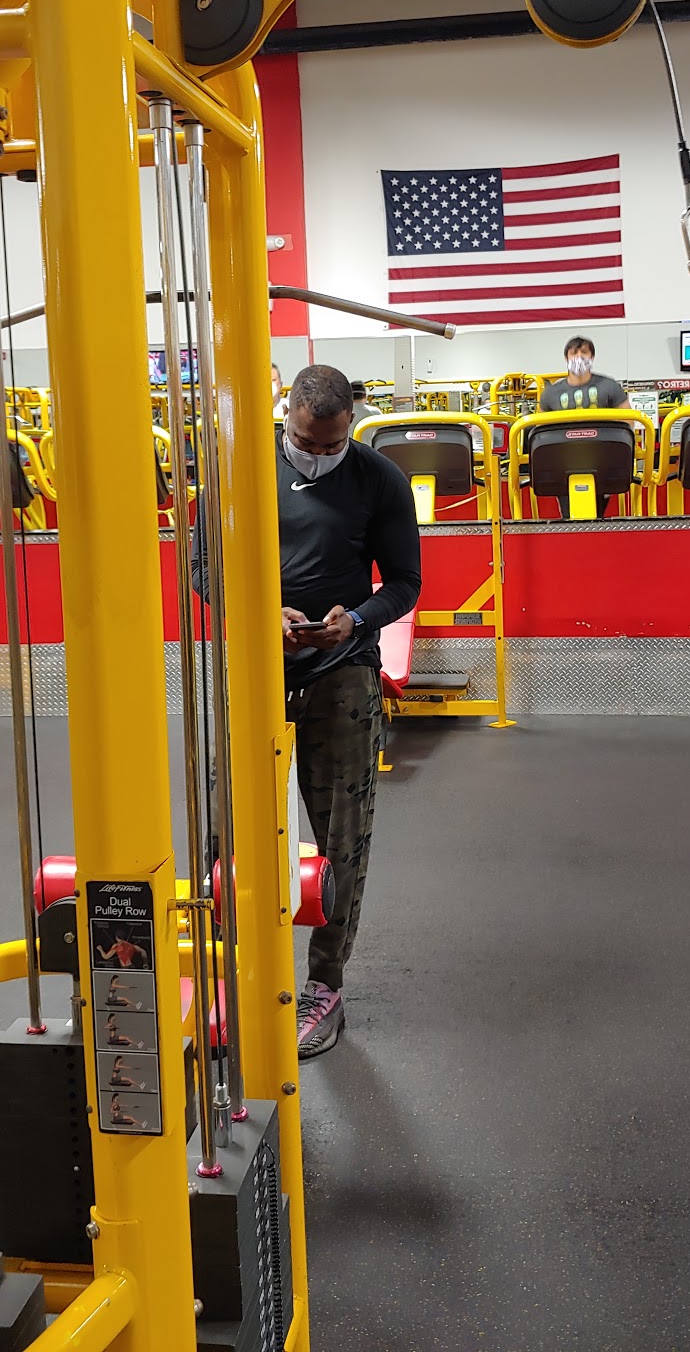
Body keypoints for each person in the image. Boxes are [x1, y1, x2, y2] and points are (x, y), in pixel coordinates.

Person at [192, 364, 421, 1059]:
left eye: (332, 446)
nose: (318, 456)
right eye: (305, 443)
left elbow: (405, 582)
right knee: (230, 830)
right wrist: (262, 612)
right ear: (286, 415)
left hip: (341, 670)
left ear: (351, 424)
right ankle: (230, 971)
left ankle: (325, 985)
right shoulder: (238, 470)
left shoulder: (379, 478)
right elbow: (202, 568)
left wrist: (357, 620)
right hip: (255, 668)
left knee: (342, 835)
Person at [539, 336, 630, 518]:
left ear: (592, 357)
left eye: (584, 352)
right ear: (566, 358)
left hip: (602, 461)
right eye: (574, 353)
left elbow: (628, 421)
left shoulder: (609, 386)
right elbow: (540, 430)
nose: (579, 357)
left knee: (597, 515)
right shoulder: (551, 394)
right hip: (564, 463)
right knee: (569, 516)